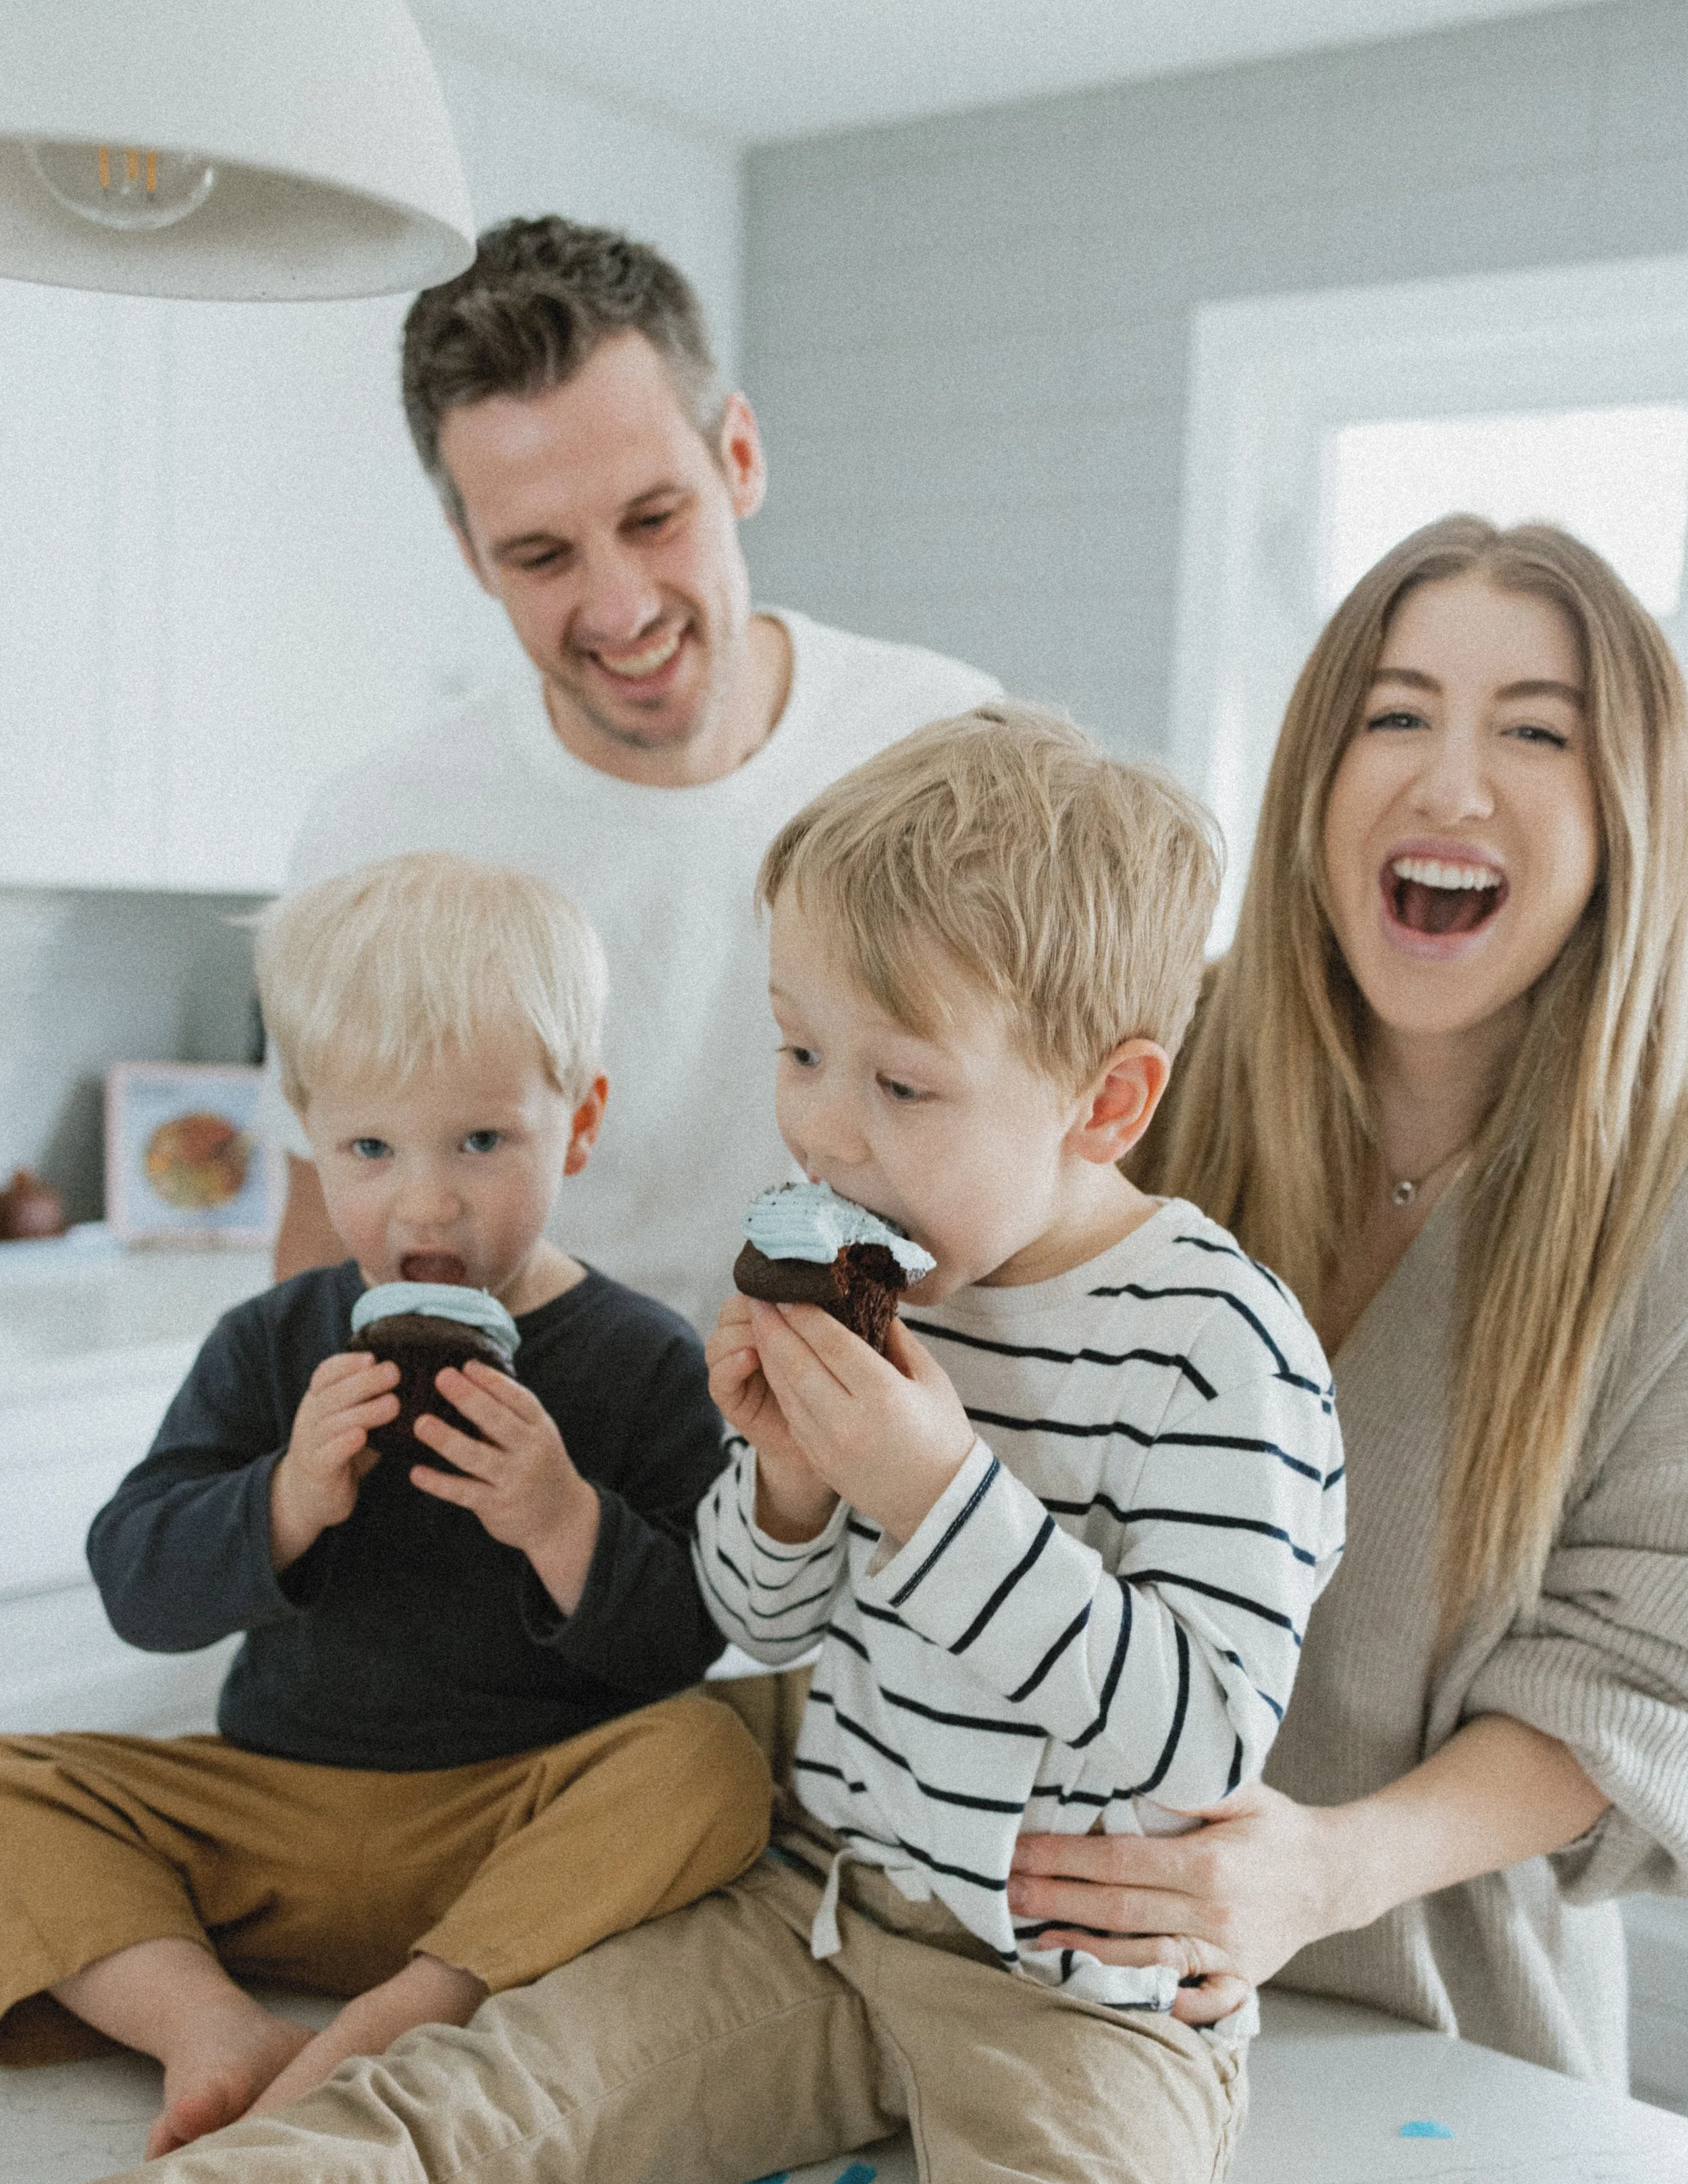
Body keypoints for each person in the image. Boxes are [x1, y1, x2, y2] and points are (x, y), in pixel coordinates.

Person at [112, 704, 1346, 2184]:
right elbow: (760, 1622)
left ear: (1106, 1100)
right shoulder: (885, 1286)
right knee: (462, 2112)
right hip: (815, 1911)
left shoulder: (1218, 1349)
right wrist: (785, 1487)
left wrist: (928, 1490)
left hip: (1078, 1997)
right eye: (800, 1050)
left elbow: (1198, 1732)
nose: (822, 1131)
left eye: (898, 1085)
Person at [1005, 516, 1688, 2087]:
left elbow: (1630, 1677)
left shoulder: (1658, 1204)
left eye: (1534, 731)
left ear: (1625, 811)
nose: (1450, 786)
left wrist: (1315, 1873)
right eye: (1394, 715)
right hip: (1049, 2007)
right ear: (1313, 773)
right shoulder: (1137, 1087)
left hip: (1442, 2050)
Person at [0, 853, 770, 2158]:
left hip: (515, 1822)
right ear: (306, 1128)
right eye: (370, 1146)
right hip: (267, 1811)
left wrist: (562, 1522)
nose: (425, 1199)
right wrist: (285, 1500)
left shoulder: (638, 1355)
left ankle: (412, 2010)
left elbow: (686, 1637)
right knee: (16, 1780)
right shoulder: (274, 1340)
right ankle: (206, 2023)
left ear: (575, 1124)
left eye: (481, 1140)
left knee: (712, 1762)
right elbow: (136, 1581)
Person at [264, 215, 999, 1335]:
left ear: (739, 458)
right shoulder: (379, 832)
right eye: (541, 556)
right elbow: (320, 1247)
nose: (619, 609)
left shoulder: (950, 749)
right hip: (538, 1460)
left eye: (654, 520)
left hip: (885, 1454)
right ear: (471, 554)